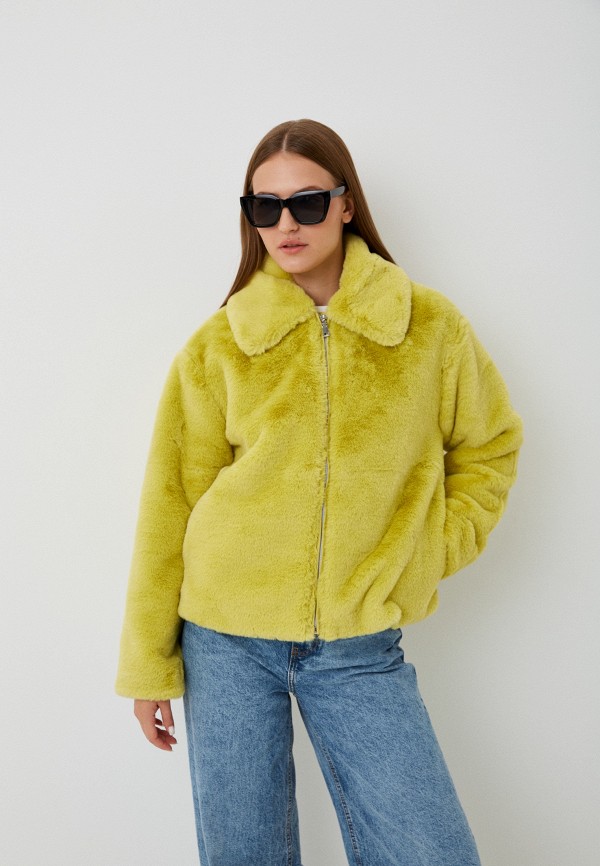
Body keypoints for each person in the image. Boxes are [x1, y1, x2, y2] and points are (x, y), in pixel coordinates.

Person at [115, 118, 523, 866]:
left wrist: (425, 552)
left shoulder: (429, 328)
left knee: (433, 851)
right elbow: (169, 505)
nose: (286, 225)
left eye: (306, 202)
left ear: (345, 203)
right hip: (226, 640)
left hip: (359, 642)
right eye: (264, 208)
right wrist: (148, 666)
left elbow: (489, 446)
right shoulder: (220, 344)